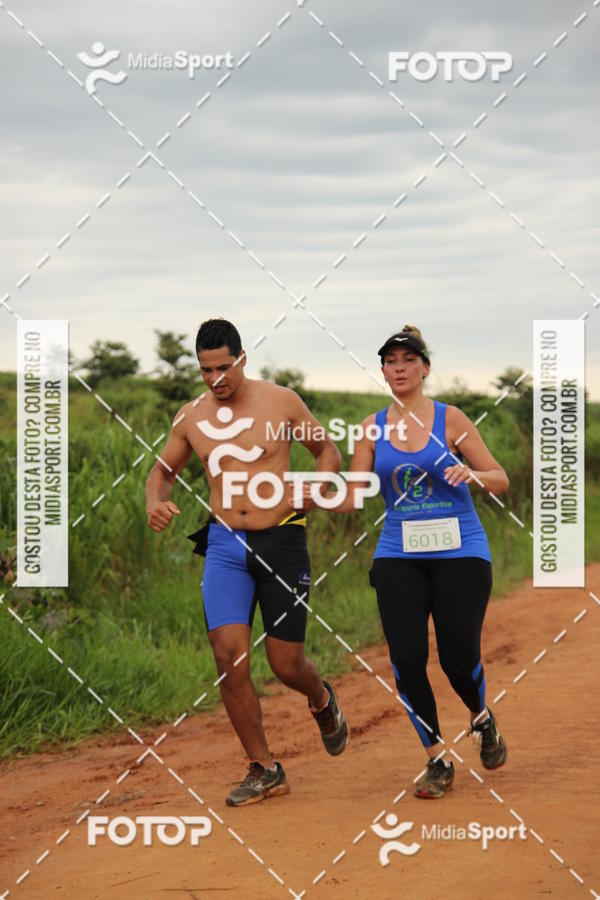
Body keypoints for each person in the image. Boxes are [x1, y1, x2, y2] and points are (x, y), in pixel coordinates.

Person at [291, 325, 508, 799]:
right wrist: (313, 496)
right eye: (391, 362)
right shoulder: (372, 428)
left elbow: (500, 477)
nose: (400, 368)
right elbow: (354, 496)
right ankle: (437, 759)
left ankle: (481, 717)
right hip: (398, 554)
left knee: (457, 660)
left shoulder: (452, 420)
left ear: (425, 368)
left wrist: (472, 474)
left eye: (409, 360)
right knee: (406, 660)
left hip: (461, 551)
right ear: (383, 371)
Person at [145, 318, 349, 807]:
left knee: (286, 664)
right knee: (228, 658)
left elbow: (326, 449)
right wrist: (155, 501)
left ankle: (321, 698)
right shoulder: (191, 416)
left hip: (282, 540)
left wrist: (319, 485)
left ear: (242, 359)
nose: (216, 379)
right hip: (224, 545)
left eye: (224, 367)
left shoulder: (282, 401)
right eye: (206, 370)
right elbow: (162, 472)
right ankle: (264, 767)